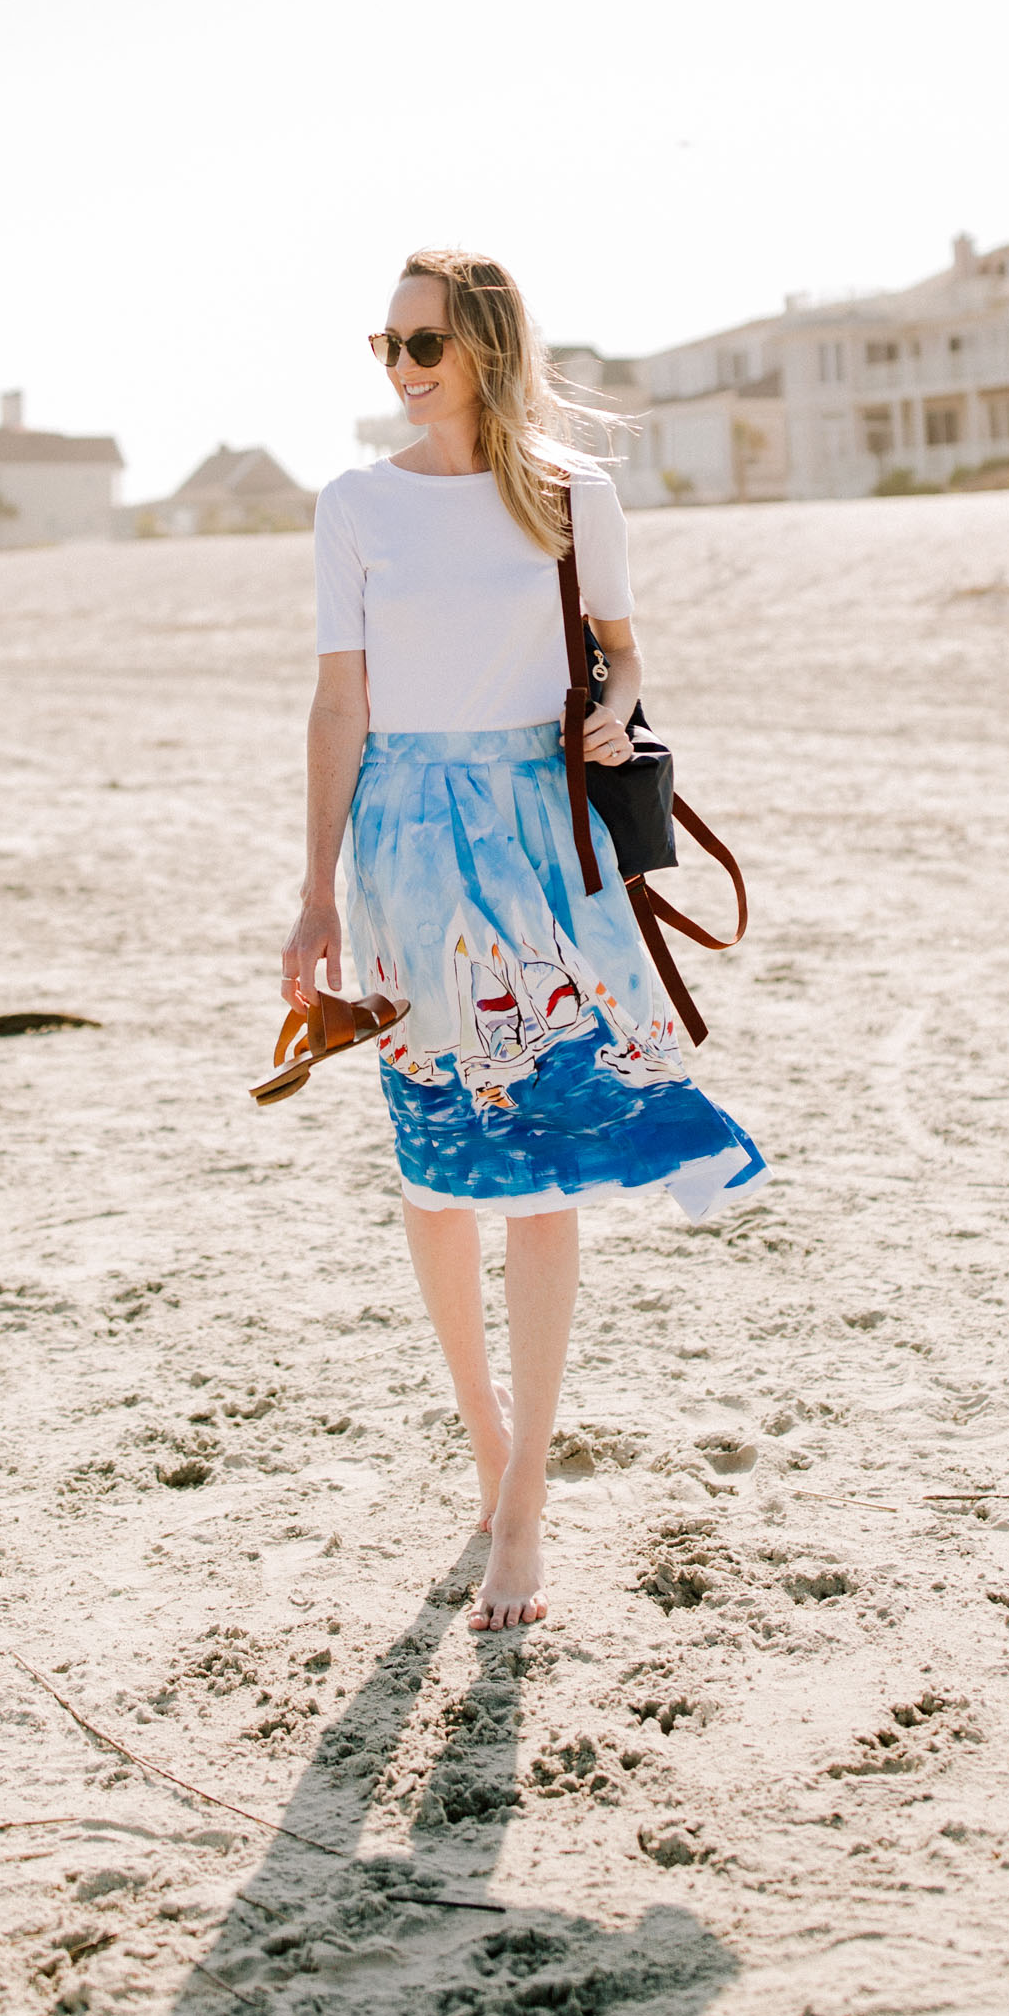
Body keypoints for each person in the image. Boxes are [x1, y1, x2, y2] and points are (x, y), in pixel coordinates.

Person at [283, 250, 765, 1631]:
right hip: (404, 850)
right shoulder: (356, 505)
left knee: (541, 1157)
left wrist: (616, 708)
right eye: (387, 345)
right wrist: (314, 893)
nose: (403, 368)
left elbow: (619, 651)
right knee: (436, 1172)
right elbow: (336, 709)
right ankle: (489, 1453)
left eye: (423, 343)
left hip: (543, 833)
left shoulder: (569, 492)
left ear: (486, 344)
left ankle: (529, 1505)